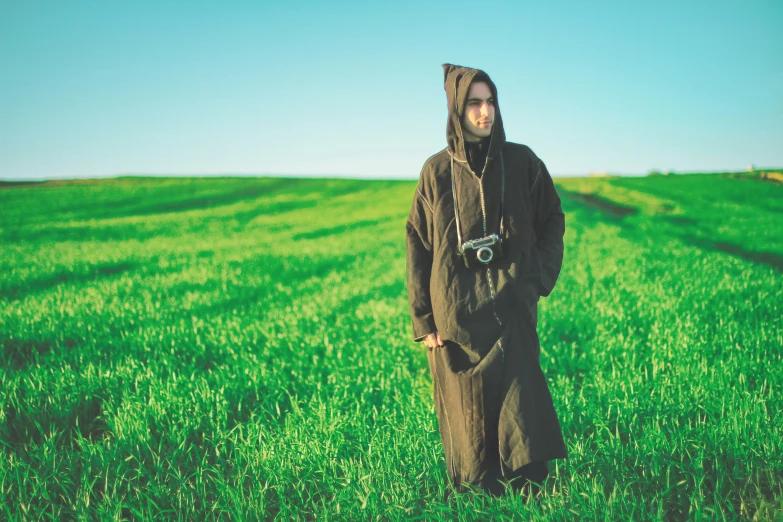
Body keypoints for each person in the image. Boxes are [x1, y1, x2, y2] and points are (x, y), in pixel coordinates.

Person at [405, 63, 568, 499]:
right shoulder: (435, 172)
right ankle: (480, 494)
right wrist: (425, 320)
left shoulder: (522, 162)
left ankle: (530, 491)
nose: (485, 112)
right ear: (457, 110)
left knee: (520, 406)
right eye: (474, 103)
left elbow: (552, 218)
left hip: (513, 307)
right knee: (468, 416)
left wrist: (537, 279)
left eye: (490, 101)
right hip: (456, 315)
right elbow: (418, 244)